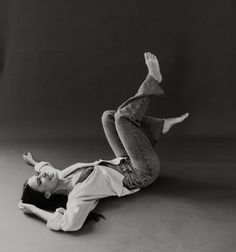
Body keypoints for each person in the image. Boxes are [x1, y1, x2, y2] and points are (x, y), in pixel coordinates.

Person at [18, 52, 189, 232]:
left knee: (108, 117)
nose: (43, 175)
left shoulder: (63, 175)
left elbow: (44, 168)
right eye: (40, 181)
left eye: (40, 175)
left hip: (123, 160)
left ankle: (159, 126)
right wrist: (32, 209)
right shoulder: (77, 196)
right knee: (122, 118)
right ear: (47, 194)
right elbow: (68, 225)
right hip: (141, 172)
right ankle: (153, 80)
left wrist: (34, 163)